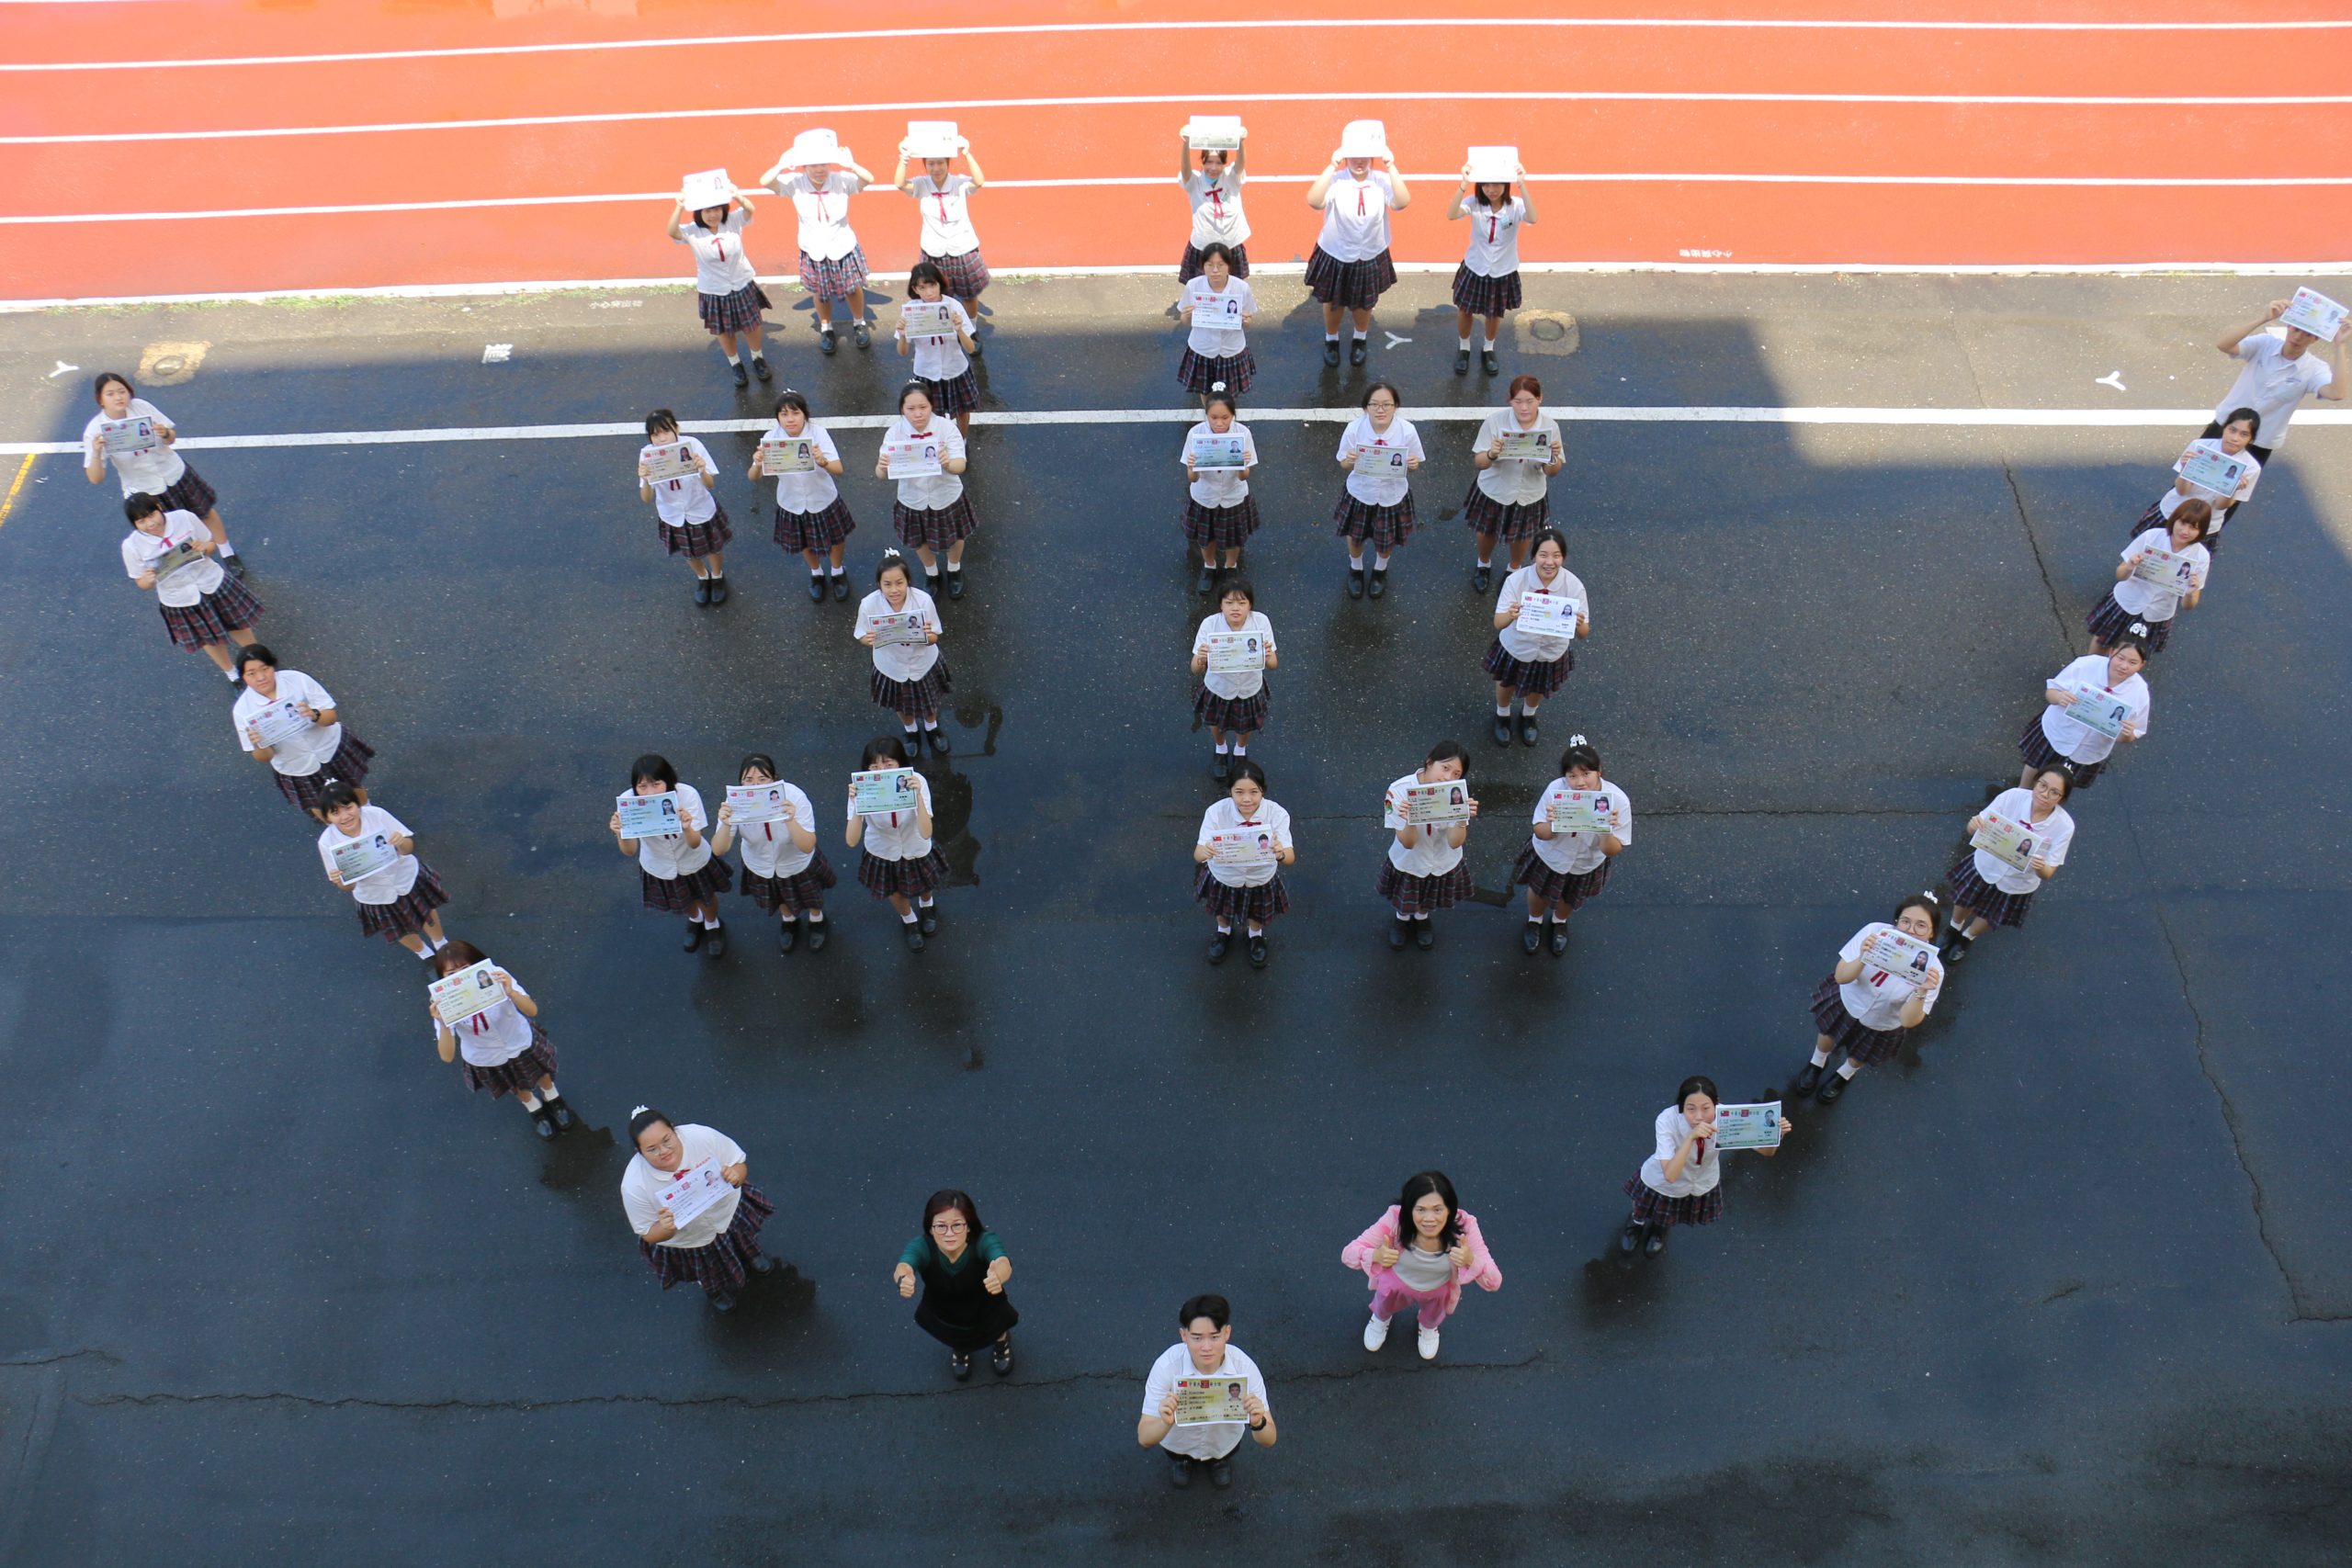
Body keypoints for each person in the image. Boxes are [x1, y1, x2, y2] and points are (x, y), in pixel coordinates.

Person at [620, 1107, 778, 1313]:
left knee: (743, 1238)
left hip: (726, 1213)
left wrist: (736, 1175)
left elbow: (738, 1162)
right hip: (690, 1240)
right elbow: (648, 1233)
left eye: (666, 1140)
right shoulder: (634, 1185)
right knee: (707, 1269)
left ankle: (752, 1255)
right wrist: (666, 1228)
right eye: (652, 1149)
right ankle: (714, 1291)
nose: (664, 1151)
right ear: (639, 1152)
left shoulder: (701, 1137)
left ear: (675, 1131)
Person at [83, 373, 242, 572]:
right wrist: (96, 453)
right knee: (168, 532)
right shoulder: (95, 430)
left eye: (122, 391)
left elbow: (171, 437)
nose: (118, 397)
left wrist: (165, 433)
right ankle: (193, 568)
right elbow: (95, 478)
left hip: (173, 472)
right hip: (145, 489)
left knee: (204, 512)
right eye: (110, 394)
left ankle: (226, 552)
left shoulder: (141, 407)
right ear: (100, 399)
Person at [1795, 892, 1946, 1104]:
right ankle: (1817, 1063)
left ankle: (1844, 1075)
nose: (1911, 931)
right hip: (1849, 1001)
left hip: (1883, 1022)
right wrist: (1864, 957)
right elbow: (1841, 976)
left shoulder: (1932, 970)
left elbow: (1908, 1020)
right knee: (1827, 1033)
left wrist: (1921, 990)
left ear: (1932, 933)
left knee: (1860, 1055)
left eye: (1921, 926)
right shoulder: (1874, 932)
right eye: (1905, 922)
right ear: (1895, 922)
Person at [1621, 1075, 1792, 1258]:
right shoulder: (1667, 1120)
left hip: (1700, 1181)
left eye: (1706, 1108)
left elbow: (1767, 1153)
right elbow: (1670, 1175)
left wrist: (1776, 1135)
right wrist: (1690, 1138)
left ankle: (1660, 1229)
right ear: (1681, 1107)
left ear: (1717, 1104)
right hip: (1661, 1179)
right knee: (1642, 1205)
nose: (1699, 1116)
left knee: (1670, 1212)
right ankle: (1636, 1223)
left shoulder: (1728, 1119)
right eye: (1691, 1109)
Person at [1341, 1170, 1502, 1359]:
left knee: (1433, 1315)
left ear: (1450, 1209)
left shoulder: (1465, 1227)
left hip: (1438, 1289)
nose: (1429, 1219)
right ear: (1409, 1209)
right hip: (1396, 1283)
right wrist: (1375, 1255)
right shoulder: (1394, 1220)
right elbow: (1348, 1254)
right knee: (1383, 1305)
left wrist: (1471, 1260)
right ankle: (1381, 1319)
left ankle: (1428, 1328)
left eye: (1437, 1209)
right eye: (1420, 1210)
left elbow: (1494, 1282)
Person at [425, 939, 573, 1137]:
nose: (461, 979)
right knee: (514, 1085)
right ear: (442, 978)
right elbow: (447, 1055)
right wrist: (443, 1022)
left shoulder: (496, 977)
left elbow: (532, 1010)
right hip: (486, 1058)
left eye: (465, 970)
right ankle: (533, 1107)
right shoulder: (444, 1003)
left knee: (541, 1074)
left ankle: (552, 1096)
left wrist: (511, 992)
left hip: (519, 1041)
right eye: (452, 975)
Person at [1137, 1294, 1276, 1491]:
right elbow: (1144, 1437)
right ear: (1183, 1335)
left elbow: (1270, 1438)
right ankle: (1183, 1464)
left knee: (1224, 1456)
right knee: (1179, 1457)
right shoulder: (1166, 1367)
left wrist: (1258, 1422)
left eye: (1214, 1337)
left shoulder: (1244, 1368)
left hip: (1224, 1444)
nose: (1206, 1347)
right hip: (1178, 1445)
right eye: (1196, 1338)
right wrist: (1164, 1422)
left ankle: (1218, 1463)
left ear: (1227, 1333)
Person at [118, 492, 263, 679]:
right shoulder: (131, 546)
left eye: (151, 515)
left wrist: (205, 547)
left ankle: (258, 661)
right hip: (180, 598)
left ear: (159, 508)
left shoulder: (184, 518)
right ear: (135, 525)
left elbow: (211, 545)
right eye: (141, 521)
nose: (150, 524)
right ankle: (232, 673)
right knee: (208, 639)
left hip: (211, 581)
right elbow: (140, 581)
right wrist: (148, 580)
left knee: (238, 625)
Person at [1941, 768, 2075, 965]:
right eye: (2042, 785)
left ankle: (1967, 937)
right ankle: (1954, 927)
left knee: (1992, 914)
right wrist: (1973, 825)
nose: (2045, 795)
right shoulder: (2013, 797)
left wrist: (2040, 866)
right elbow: (1975, 827)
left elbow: (2048, 872)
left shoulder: (2065, 826)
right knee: (1965, 899)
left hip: (2018, 883)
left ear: (2062, 799)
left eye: (2054, 792)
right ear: (2035, 782)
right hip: (1986, 864)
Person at [761, 131, 876, 355]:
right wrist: (781, 165)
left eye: (823, 163)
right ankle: (826, 327)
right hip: (813, 249)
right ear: (804, 166)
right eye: (812, 164)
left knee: (853, 289)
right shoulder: (794, 183)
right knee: (820, 292)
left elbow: (867, 180)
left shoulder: (841, 180)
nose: (819, 169)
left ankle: (859, 323)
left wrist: (851, 164)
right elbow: (765, 182)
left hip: (842, 245)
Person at [1516, 735, 1631, 956]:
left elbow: (1612, 850)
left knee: (1571, 897)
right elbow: (1540, 832)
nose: (1580, 782)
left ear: (1600, 771)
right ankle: (1534, 920)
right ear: (1565, 776)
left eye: (1586, 774)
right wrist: (1553, 823)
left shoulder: (1618, 801)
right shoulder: (1555, 790)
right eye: (1572, 776)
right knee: (1538, 891)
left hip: (1586, 863)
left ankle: (1560, 922)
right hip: (1551, 856)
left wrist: (1605, 828)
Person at [711, 752, 836, 954]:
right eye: (748, 780)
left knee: (811, 896)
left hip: (796, 863)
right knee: (778, 898)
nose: (755, 786)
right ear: (740, 783)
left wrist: (790, 820)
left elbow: (807, 845)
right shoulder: (735, 803)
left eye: (763, 779)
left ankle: (817, 919)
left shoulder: (794, 796)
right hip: (760, 866)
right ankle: (789, 921)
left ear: (774, 780)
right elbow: (718, 849)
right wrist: (726, 824)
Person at [232, 644, 375, 819]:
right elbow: (264, 757)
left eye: (265, 668)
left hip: (329, 747)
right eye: (251, 673)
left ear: (273, 666)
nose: (261, 677)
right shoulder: (243, 710)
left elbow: (330, 717)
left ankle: (370, 816)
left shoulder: (297, 680)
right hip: (297, 767)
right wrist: (259, 744)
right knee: (320, 804)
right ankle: (341, 834)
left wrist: (315, 715)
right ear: (243, 677)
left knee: (354, 789)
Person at [609, 752, 731, 956]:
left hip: (694, 861)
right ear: (635, 787)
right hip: (659, 866)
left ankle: (712, 924)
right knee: (683, 901)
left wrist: (686, 827)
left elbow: (694, 843)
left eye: (656, 784)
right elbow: (629, 851)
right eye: (642, 786)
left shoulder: (687, 795)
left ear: (668, 780)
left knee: (706, 898)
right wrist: (620, 833)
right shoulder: (628, 802)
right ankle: (695, 920)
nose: (649, 793)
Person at [892, 1189, 1017, 1381]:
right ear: (930, 1228)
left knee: (997, 1328)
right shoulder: (922, 1246)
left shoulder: (984, 1241)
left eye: (957, 1225)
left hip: (986, 1307)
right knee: (955, 1335)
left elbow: (1002, 1261)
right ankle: (961, 1350)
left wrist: (998, 1276)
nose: (949, 1234)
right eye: (941, 1226)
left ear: (968, 1226)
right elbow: (904, 1264)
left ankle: (1001, 1343)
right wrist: (904, 1277)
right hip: (945, 1309)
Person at [316, 780, 449, 959]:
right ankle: (425, 955)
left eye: (348, 807)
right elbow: (348, 887)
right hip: (375, 894)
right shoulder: (327, 842)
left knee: (426, 912)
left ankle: (441, 945)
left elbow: (409, 848)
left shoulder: (377, 815)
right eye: (335, 812)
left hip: (406, 877)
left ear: (358, 804)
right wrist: (341, 880)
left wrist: (401, 842)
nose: (345, 816)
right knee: (400, 927)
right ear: (327, 818)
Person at [1306, 139, 1410, 366]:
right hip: (1337, 251)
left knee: (1365, 301)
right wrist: (1332, 165)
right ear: (1346, 156)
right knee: (1334, 301)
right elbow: (1314, 201)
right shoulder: (1337, 180)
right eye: (1353, 156)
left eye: (1365, 156)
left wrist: (1391, 166)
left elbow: (1402, 202)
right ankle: (1331, 339)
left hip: (1370, 252)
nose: (1359, 161)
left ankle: (1359, 338)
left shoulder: (1381, 180)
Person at [2203, 299, 2345, 464]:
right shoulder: (2265, 343)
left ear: (2315, 339)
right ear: (2288, 327)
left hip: (2261, 440)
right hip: (2226, 425)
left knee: (2234, 488)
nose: (2298, 337)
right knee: (2190, 479)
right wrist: (2263, 318)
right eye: (2296, 329)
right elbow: (2224, 345)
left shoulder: (2315, 368)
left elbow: (2337, 393)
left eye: (2307, 334)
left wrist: (2340, 346)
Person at [1483, 526, 1588, 746]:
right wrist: (1511, 615)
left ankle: (1528, 716)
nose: (1550, 562)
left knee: (1539, 685)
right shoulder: (1516, 581)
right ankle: (1502, 714)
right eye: (1543, 555)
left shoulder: (1574, 586)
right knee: (1506, 682)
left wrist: (1578, 625)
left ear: (1564, 558)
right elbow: (1498, 622)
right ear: (1533, 557)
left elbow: (1584, 632)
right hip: (1517, 645)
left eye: (1556, 556)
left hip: (1551, 650)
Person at [749, 389, 857, 601]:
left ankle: (837, 570)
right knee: (804, 543)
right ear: (777, 417)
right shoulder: (770, 439)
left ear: (805, 414)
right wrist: (758, 462)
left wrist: (823, 461)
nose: (790, 419)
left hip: (823, 499)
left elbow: (839, 469)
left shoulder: (818, 433)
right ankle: (816, 573)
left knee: (836, 538)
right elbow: (753, 476)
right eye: (783, 414)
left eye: (795, 413)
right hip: (792, 502)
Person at [845, 734, 948, 951]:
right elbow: (852, 840)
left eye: (889, 764)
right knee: (895, 892)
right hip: (883, 852)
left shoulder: (917, 782)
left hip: (916, 847)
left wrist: (917, 797)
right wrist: (856, 805)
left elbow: (926, 831)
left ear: (901, 764)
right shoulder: (861, 789)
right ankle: (909, 920)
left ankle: (927, 905)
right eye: (874, 767)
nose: (881, 772)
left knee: (925, 883)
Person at [876, 382, 977, 599]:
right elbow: (881, 475)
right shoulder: (894, 433)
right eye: (910, 409)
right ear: (902, 409)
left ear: (932, 405)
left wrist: (948, 463)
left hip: (946, 495)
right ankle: (932, 573)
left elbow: (961, 465)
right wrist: (882, 467)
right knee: (918, 540)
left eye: (923, 407)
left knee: (956, 535)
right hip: (912, 498)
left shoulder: (946, 428)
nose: (917, 414)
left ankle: (954, 569)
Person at [1193, 758, 1295, 969]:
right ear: (1230, 791)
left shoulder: (1277, 814)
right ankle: (1223, 932)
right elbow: (1198, 854)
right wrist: (1206, 851)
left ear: (1263, 791)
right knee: (1223, 909)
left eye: (1253, 792)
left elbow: (1290, 857)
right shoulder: (1216, 812)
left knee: (1257, 912)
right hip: (1225, 876)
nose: (1246, 799)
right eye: (1239, 792)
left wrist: (1280, 853)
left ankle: (1255, 935)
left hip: (1260, 877)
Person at [1466, 375, 1566, 588]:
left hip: (1529, 493)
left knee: (1523, 536)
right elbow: (1479, 462)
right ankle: (1483, 563)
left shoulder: (1550, 427)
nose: (1523, 407)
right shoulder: (1495, 421)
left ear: (1540, 399)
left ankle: (1514, 569)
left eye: (1530, 401)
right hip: (1494, 490)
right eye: (1518, 401)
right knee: (1487, 531)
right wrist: (1492, 454)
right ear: (1509, 400)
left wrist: (1552, 457)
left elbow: (1553, 471)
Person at [664, 188, 771, 387]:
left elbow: (750, 209)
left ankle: (758, 358)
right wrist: (679, 206)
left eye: (716, 210)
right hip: (714, 290)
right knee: (724, 331)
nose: (713, 215)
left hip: (741, 283)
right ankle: (735, 364)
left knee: (752, 325)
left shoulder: (732, 221)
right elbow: (672, 231)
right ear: (698, 213)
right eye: (707, 211)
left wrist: (736, 194)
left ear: (723, 209)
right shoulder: (692, 231)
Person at [2018, 636, 2151, 792]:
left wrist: (2127, 735)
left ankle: (2048, 809)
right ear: (2111, 652)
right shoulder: (2086, 665)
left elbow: (2131, 734)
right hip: (2058, 732)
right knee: (2035, 765)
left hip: (2089, 750)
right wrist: (2059, 697)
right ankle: (2021, 791)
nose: (2123, 666)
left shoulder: (2140, 692)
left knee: (2061, 784)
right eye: (2120, 658)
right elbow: (2052, 691)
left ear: (2142, 665)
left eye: (2132, 662)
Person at [1378, 741, 1478, 950]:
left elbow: (1455, 842)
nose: (1448, 778)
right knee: (1405, 896)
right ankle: (1402, 918)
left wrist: (1462, 818)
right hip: (1409, 861)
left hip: (1442, 860)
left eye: (1456, 774)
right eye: (1445, 768)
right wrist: (1409, 819)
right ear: (1429, 761)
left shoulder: (1457, 793)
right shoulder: (1396, 791)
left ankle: (1422, 917)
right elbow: (1407, 842)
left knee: (1429, 895)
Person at [1331, 381, 1425, 599]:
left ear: (1395, 407)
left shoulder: (1407, 430)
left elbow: (1415, 463)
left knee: (1386, 538)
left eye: (1387, 404)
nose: (1380, 410)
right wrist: (1349, 460)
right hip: (1360, 493)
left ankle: (1380, 570)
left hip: (1392, 496)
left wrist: (1412, 465)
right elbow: (1343, 464)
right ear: (1365, 407)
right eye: (1374, 404)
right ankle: (1356, 569)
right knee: (1355, 536)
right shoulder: (1354, 428)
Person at [854, 549, 952, 755]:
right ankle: (911, 731)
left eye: (899, 583)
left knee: (930, 700)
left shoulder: (923, 600)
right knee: (900, 704)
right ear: (879, 585)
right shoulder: (868, 604)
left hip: (923, 663)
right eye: (887, 584)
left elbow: (935, 636)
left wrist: (927, 636)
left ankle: (932, 727)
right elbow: (861, 634)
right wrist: (868, 640)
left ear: (908, 581)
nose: (894, 590)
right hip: (890, 666)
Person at [1445, 161, 1535, 377]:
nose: (1491, 190)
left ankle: (1488, 348)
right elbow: (1451, 214)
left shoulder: (1516, 206)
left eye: (1496, 185)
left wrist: (1522, 184)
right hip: (1476, 266)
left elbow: (1533, 218)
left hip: (1503, 270)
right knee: (1465, 309)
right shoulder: (1475, 203)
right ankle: (1464, 347)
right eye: (1486, 185)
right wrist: (1463, 183)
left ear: (1506, 184)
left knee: (1494, 313)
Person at [893, 133, 991, 329]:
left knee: (969, 295)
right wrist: (904, 158)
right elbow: (900, 184)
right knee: (937, 296)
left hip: (962, 249)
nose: (936, 168)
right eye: (931, 164)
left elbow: (979, 181)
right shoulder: (922, 184)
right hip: (934, 250)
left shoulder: (959, 183)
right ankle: (943, 329)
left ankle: (970, 328)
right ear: (925, 165)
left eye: (940, 163)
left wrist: (967, 153)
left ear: (948, 163)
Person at [637, 409, 731, 605]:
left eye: (666, 431)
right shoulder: (647, 455)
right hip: (672, 514)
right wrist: (645, 479)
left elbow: (710, 484)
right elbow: (646, 498)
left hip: (700, 508)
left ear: (676, 429)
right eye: (655, 434)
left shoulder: (693, 445)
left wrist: (701, 469)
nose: (662, 439)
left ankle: (717, 575)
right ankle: (702, 577)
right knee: (688, 551)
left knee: (714, 547)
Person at [2091, 501, 2210, 657]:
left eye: (2194, 527)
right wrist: (2129, 567)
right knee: (2102, 643)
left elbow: (2188, 605)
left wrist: (2190, 593)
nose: (2185, 531)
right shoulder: (2152, 536)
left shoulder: (2201, 556)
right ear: (2175, 519)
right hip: (2126, 601)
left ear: (2201, 531)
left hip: (2157, 614)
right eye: (2183, 523)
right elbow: (2120, 575)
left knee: (2133, 657)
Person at [2135, 410, 2258, 555]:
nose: (2235, 438)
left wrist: (2232, 489)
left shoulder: (2250, 467)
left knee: (2181, 569)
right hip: (2173, 511)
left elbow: (2221, 505)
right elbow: (2182, 491)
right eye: (2232, 430)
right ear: (2224, 427)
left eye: (2244, 434)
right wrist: (2185, 470)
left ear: (2251, 439)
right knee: (2143, 554)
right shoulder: (2200, 447)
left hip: (2204, 525)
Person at [1190, 578, 1276, 781]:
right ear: (1220, 605)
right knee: (1215, 723)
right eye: (1229, 603)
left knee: (1245, 725)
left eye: (1242, 602)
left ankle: (1240, 750)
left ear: (1250, 605)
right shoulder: (1210, 624)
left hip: (1249, 687)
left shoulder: (1261, 621)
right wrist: (1201, 657)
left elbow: (1273, 665)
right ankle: (1220, 749)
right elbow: (1195, 669)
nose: (1235, 608)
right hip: (1218, 687)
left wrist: (1268, 653)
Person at [1182, 390, 1261, 591]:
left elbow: (1244, 476)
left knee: (1233, 537)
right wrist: (1192, 467)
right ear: (1206, 415)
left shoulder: (1243, 433)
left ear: (1233, 415)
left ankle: (1231, 566)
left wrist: (1242, 464)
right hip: (1204, 496)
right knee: (1206, 537)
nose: (1219, 423)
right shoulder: (1196, 434)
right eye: (1213, 417)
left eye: (1225, 417)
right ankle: (1209, 566)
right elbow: (1192, 478)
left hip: (1233, 496)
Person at [894, 262, 980, 437]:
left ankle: (961, 441)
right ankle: (938, 445)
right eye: (923, 287)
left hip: (955, 369)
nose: (929, 292)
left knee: (962, 411)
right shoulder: (911, 311)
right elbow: (902, 352)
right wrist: (902, 334)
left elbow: (971, 348)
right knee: (932, 415)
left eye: (933, 285)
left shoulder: (954, 306)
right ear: (915, 289)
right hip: (927, 373)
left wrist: (960, 330)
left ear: (940, 283)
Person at [1177, 242, 1256, 398]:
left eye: (1220, 265)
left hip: (1231, 349)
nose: (1215, 270)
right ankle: (1210, 418)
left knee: (1230, 393)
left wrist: (1247, 321)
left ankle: (1226, 419)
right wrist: (1185, 317)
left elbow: (1249, 320)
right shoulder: (1193, 286)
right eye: (1209, 265)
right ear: (1203, 266)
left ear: (1229, 266)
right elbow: (1184, 321)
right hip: (1203, 348)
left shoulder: (1241, 288)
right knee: (1205, 391)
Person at [1177, 131, 1250, 282]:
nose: (1213, 167)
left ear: (1224, 164)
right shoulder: (1195, 182)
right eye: (1209, 162)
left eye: (1218, 163)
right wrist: (1186, 144)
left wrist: (1240, 143)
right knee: (1202, 285)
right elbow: (1185, 169)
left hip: (1231, 241)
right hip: (1204, 243)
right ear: (1202, 162)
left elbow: (1240, 164)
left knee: (1232, 284)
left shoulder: (1231, 178)